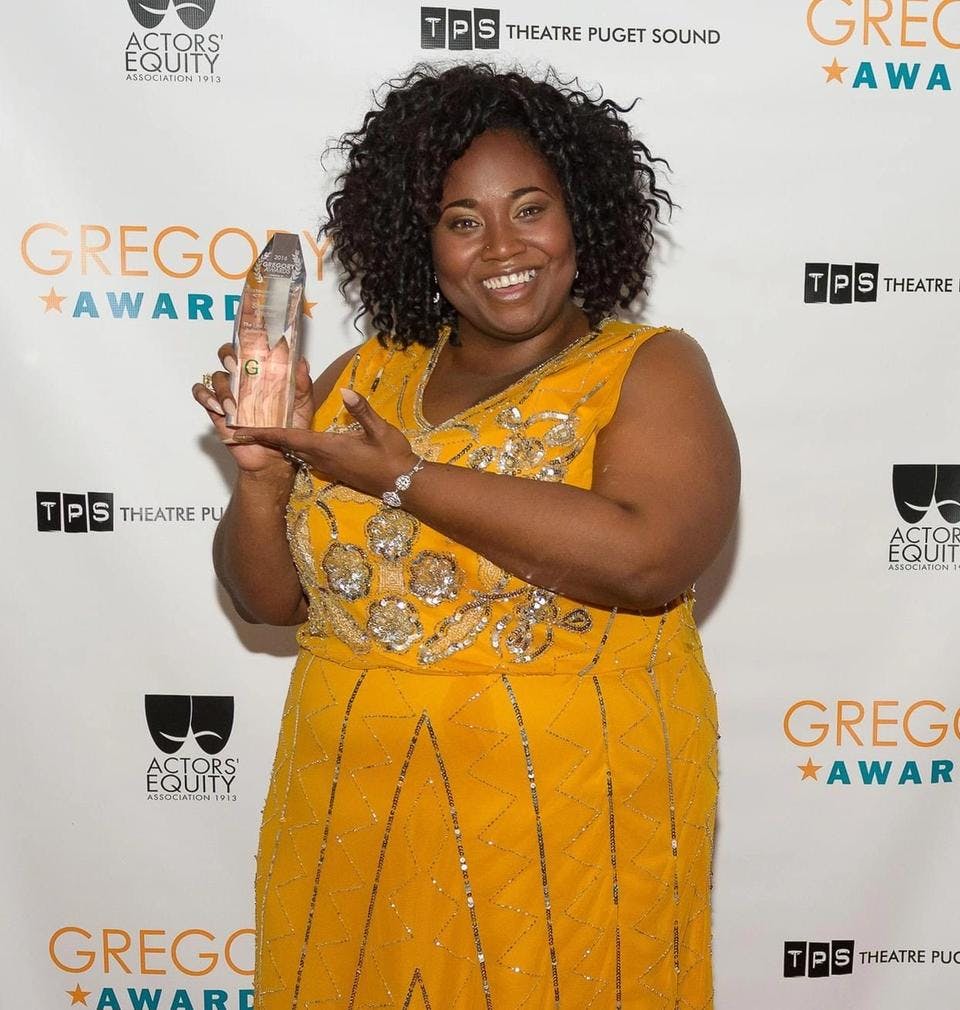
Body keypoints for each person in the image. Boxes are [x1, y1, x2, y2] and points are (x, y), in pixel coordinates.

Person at [193, 63, 738, 1010]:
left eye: (531, 209)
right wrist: (265, 478)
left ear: (586, 219)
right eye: (462, 220)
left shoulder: (650, 369)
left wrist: (403, 479)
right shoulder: (372, 371)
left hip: (565, 809)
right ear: (422, 243)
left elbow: (649, 558)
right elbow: (268, 600)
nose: (501, 247)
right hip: (349, 808)